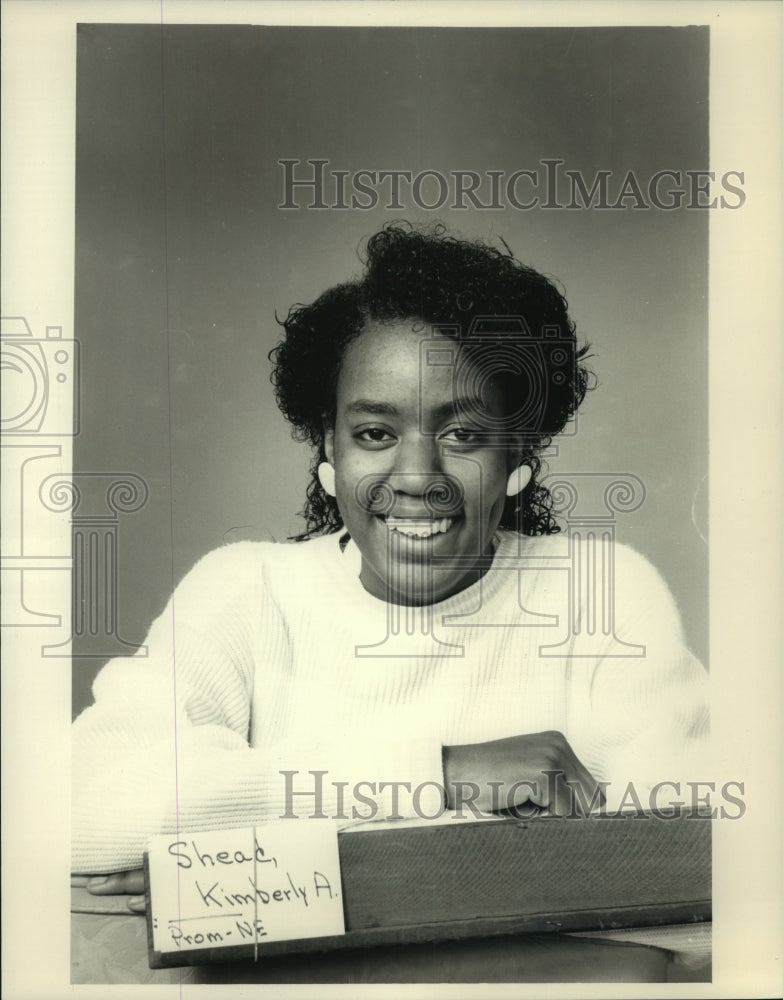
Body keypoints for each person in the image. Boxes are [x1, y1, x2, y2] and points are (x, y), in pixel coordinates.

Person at [72, 222, 709, 979]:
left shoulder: (599, 591)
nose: (416, 475)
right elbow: (86, 814)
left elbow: (680, 859)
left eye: (465, 435)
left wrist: (253, 866)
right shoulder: (243, 588)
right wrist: (438, 771)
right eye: (374, 432)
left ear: (518, 457)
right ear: (328, 451)